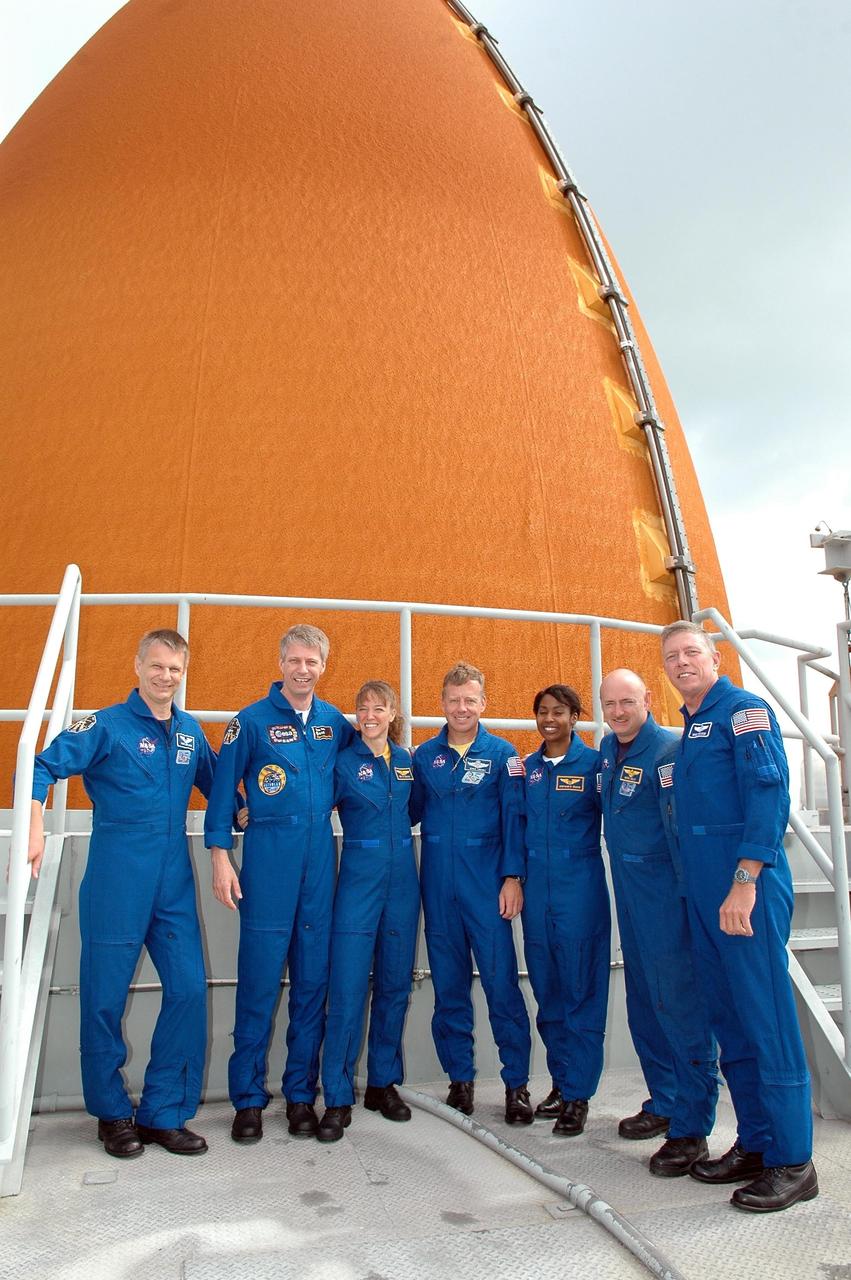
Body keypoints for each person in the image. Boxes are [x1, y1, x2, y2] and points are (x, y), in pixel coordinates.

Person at [27, 630, 217, 1157]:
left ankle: (161, 1112)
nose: (165, 677)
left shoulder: (189, 733)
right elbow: (42, 765)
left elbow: (220, 785)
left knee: (188, 990)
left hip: (173, 883)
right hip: (116, 878)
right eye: (156, 667)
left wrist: (255, 813)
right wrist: (37, 825)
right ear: (137, 666)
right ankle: (112, 1114)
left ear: (184, 671)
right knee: (104, 1000)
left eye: (175, 669)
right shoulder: (105, 726)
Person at [660, 620, 818, 1212]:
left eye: (691, 652)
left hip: (742, 890)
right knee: (730, 1022)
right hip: (706, 896)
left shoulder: (743, 711)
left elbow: (769, 794)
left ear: (714, 657)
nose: (682, 663)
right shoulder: (695, 726)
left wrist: (746, 880)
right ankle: (756, 1143)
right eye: (672, 656)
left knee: (766, 1018)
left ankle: (793, 1160)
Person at [205, 624, 355, 1143]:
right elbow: (223, 792)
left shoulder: (336, 723)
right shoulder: (249, 722)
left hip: (320, 859)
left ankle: (299, 1095)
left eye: (312, 661)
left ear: (323, 666)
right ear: (280, 661)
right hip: (268, 861)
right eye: (294, 660)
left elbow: (360, 773)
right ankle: (247, 1100)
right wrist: (221, 857)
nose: (302, 670)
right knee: (259, 982)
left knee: (313, 984)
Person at [599, 668, 718, 1175]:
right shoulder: (608, 749)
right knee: (645, 1004)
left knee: (679, 1008)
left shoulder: (667, 751)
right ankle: (665, 1101)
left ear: (648, 699)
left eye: (627, 702)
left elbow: (677, 832)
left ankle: (693, 1128)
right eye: (610, 704)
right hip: (628, 894)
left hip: (665, 897)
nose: (619, 712)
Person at [411, 662, 532, 1123]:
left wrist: (512, 877)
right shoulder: (425, 757)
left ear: (483, 703)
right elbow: (404, 812)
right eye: (453, 700)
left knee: (502, 987)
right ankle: (459, 1081)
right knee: (450, 990)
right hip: (439, 890)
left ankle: (516, 1085)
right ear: (442, 704)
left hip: (488, 889)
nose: (462, 708)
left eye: (470, 700)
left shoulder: (504, 755)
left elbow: (513, 820)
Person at [316, 681, 420, 1142]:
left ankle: (382, 1083)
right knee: (348, 988)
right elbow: (311, 802)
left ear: (393, 712)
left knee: (396, 984)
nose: (370, 716)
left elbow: (415, 811)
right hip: (358, 878)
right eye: (363, 709)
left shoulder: (406, 762)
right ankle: (337, 1096)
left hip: (403, 881)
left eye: (379, 708)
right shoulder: (342, 763)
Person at [521, 684, 609, 1136]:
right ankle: (560, 1082)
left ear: (575, 716)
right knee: (549, 995)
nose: (549, 719)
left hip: (580, 896)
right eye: (542, 712)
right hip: (537, 897)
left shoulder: (594, 766)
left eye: (559, 711)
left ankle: (579, 1095)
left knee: (581, 994)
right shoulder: (527, 769)